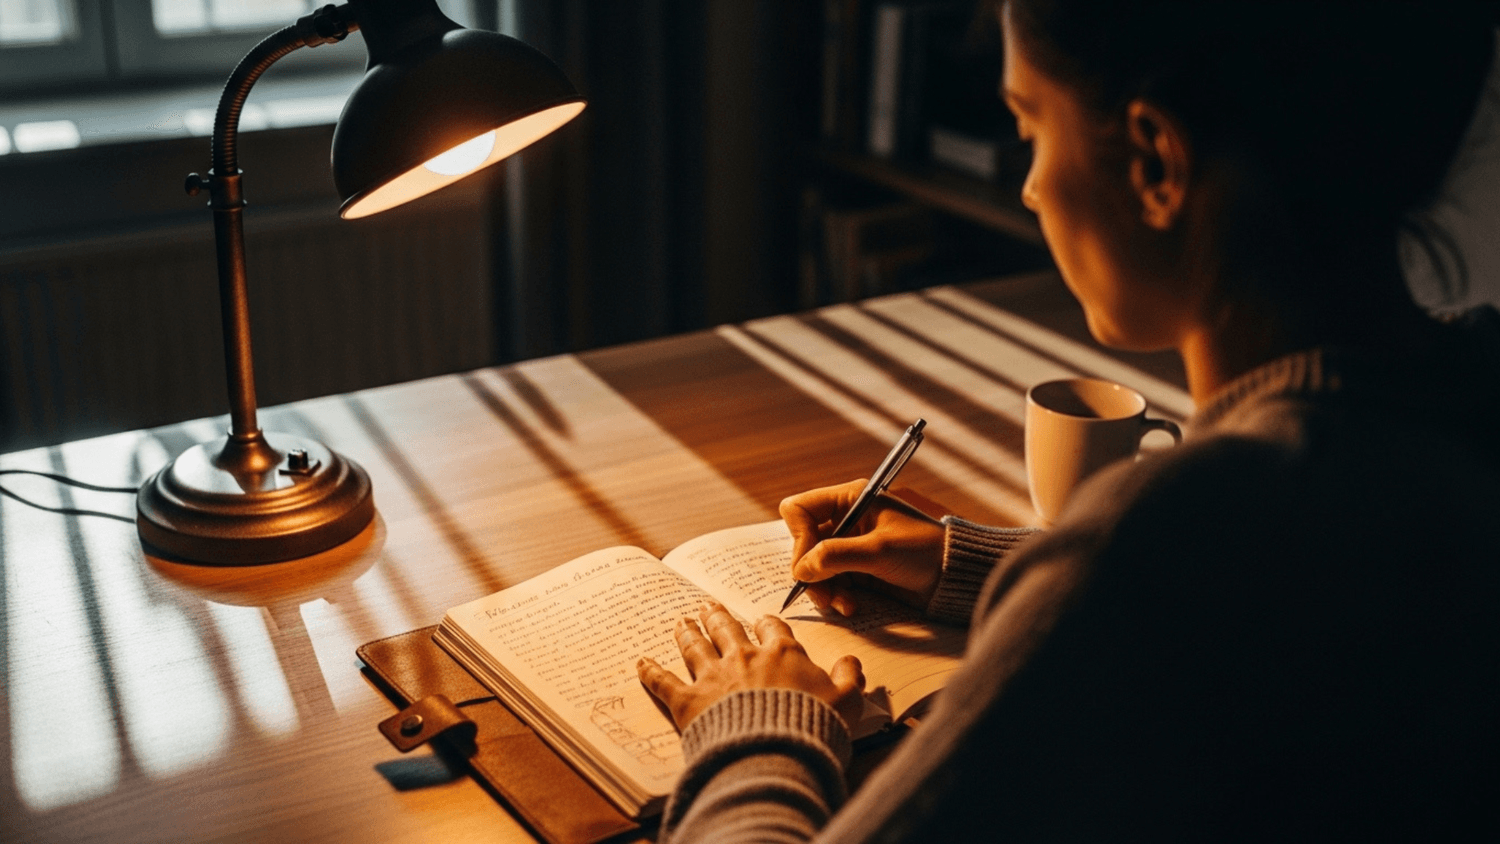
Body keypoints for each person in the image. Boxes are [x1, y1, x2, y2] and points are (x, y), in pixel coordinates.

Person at [635, 2, 1500, 840]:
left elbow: (1196, 572)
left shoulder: (1172, 540)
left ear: (1156, 164)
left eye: (1030, 129)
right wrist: (990, 570)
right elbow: (1278, 589)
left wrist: (754, 728)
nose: (1031, 185)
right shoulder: (1468, 398)